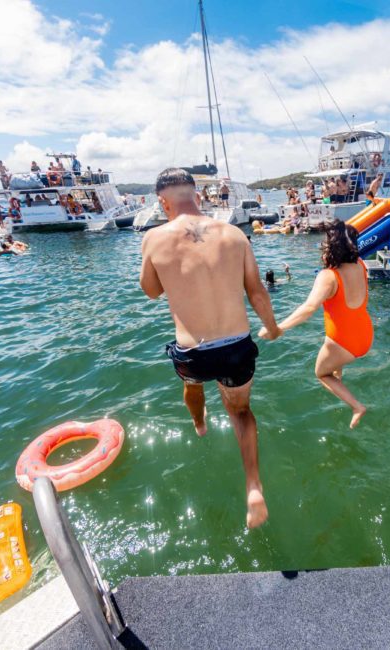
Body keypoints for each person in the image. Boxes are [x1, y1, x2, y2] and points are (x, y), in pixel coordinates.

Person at [140, 168, 280, 529]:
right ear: (198, 196)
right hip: (236, 348)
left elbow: (151, 290)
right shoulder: (235, 234)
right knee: (241, 413)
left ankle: (199, 425)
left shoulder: (155, 238)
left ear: (163, 202)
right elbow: (256, 291)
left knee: (192, 383)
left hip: (194, 354)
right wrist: (272, 326)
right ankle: (253, 486)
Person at [261, 220, 372, 428]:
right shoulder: (361, 265)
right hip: (365, 335)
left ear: (331, 247)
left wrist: (277, 329)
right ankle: (339, 374)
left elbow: (309, 308)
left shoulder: (328, 276)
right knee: (335, 366)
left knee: (321, 373)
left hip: (344, 342)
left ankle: (357, 406)